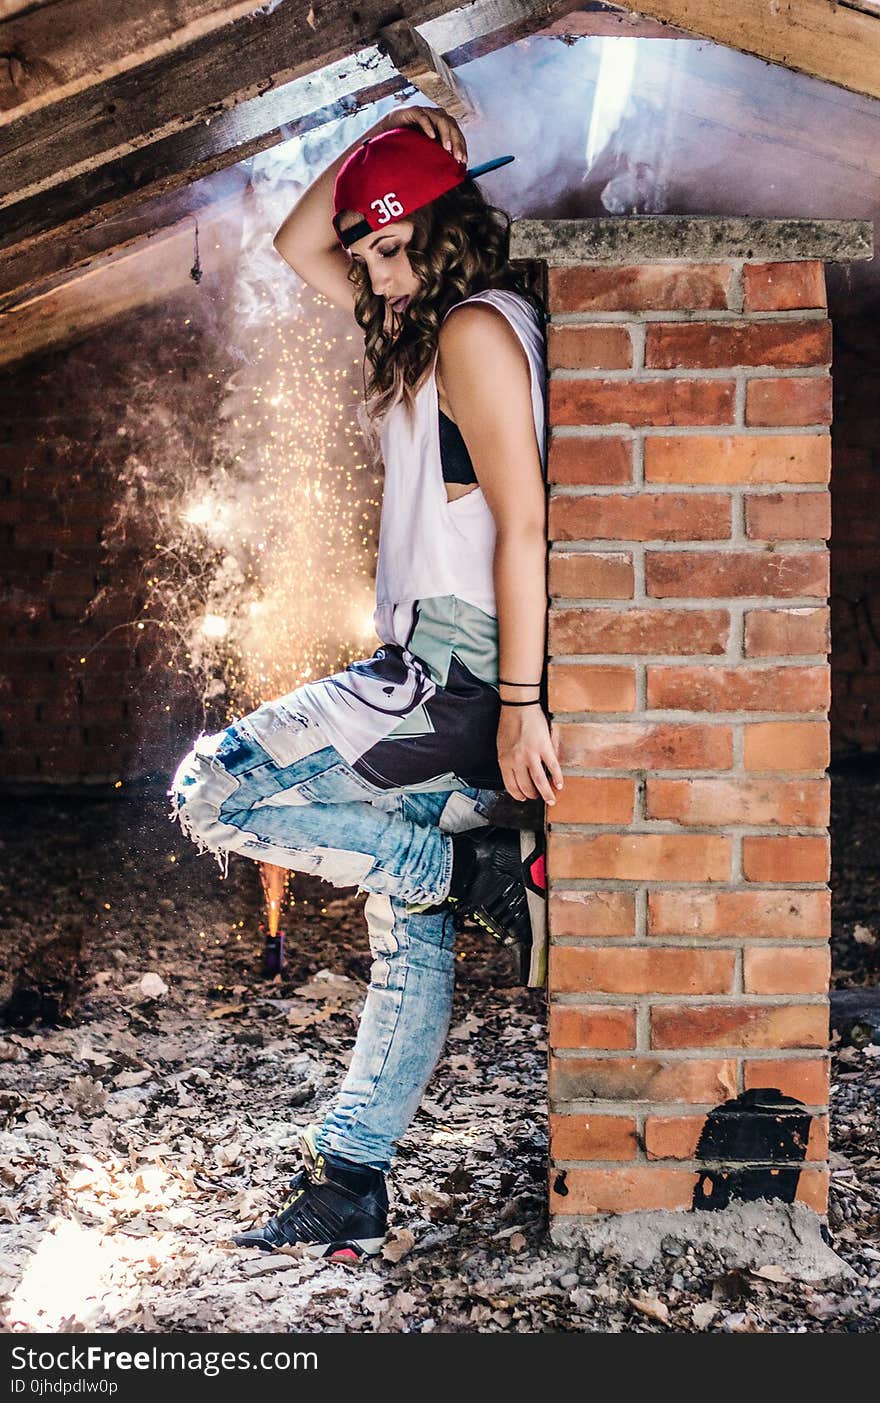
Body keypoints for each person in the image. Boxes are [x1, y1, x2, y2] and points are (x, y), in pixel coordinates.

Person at [168, 104, 563, 1262]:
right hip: (434, 663)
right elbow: (300, 247)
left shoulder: (476, 336)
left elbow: (526, 525)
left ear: (447, 232)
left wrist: (524, 705)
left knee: (210, 791)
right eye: (372, 252)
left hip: (453, 669)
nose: (375, 275)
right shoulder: (427, 321)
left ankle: (465, 864)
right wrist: (383, 141)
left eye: (394, 247)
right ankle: (350, 1184)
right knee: (408, 925)